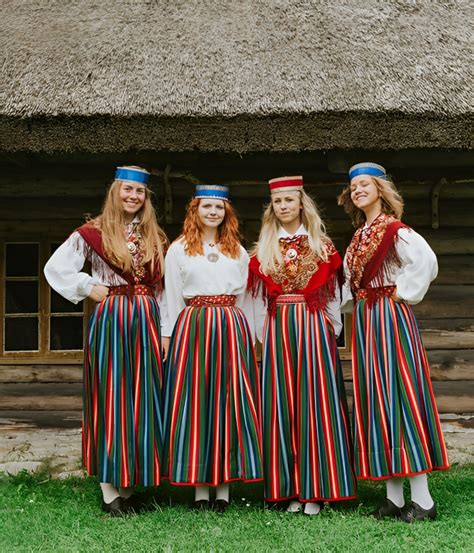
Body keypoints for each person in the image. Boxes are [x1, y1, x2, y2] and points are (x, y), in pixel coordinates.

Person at [44, 166, 169, 516]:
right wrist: (87, 286)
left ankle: (130, 482)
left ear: (146, 199)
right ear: (115, 192)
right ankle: (109, 488)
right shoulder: (92, 232)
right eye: (127, 190)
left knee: (142, 397)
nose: (133, 196)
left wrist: (164, 331)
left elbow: (163, 288)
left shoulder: (155, 236)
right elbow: (56, 268)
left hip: (147, 318)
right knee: (111, 395)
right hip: (113, 318)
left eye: (140, 192)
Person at [338, 162, 449, 522]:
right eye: (353, 186)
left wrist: (401, 293)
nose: (358, 190)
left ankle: (424, 500)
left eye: (364, 184)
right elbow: (348, 286)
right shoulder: (359, 236)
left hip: (389, 317)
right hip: (369, 321)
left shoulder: (395, 231)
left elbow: (426, 261)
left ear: (380, 189)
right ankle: (394, 499)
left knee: (400, 396)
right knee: (377, 400)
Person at [247, 176, 356, 516]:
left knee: (315, 404)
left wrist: (329, 328)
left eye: (289, 201)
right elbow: (257, 299)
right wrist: (263, 336)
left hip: (312, 326)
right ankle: (290, 489)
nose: (284, 207)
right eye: (278, 202)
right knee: (283, 405)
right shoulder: (264, 247)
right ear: (272, 208)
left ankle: (317, 489)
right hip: (280, 326)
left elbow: (335, 294)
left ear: (300, 204)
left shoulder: (321, 245)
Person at [161, 184, 263, 512]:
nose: (213, 212)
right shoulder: (178, 249)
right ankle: (200, 492)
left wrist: (251, 336)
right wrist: (171, 334)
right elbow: (173, 294)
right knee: (198, 403)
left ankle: (223, 491)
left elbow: (246, 297)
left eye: (219, 208)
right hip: (194, 327)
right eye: (207, 207)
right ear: (196, 210)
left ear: (226, 213)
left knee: (228, 403)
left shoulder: (238, 251)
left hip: (231, 327)